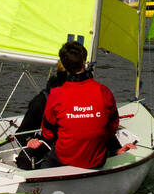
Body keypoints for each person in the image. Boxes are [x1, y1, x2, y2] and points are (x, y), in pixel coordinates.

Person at [22, 40, 127, 171]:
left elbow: (48, 133)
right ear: (84, 61)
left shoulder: (56, 94)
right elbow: (112, 127)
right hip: (96, 161)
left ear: (64, 66)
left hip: (64, 160)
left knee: (32, 159)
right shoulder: (103, 91)